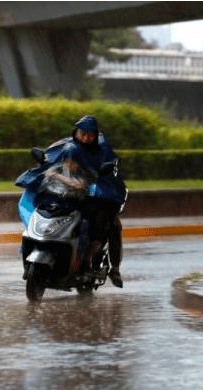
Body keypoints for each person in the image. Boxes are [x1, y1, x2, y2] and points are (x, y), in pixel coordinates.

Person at [58, 115, 124, 288]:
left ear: (95, 135)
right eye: (83, 133)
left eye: (90, 134)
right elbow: (61, 168)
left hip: (100, 198)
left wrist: (96, 186)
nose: (86, 137)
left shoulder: (103, 151)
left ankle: (108, 267)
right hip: (73, 195)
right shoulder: (70, 148)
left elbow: (112, 175)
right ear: (76, 133)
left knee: (108, 224)